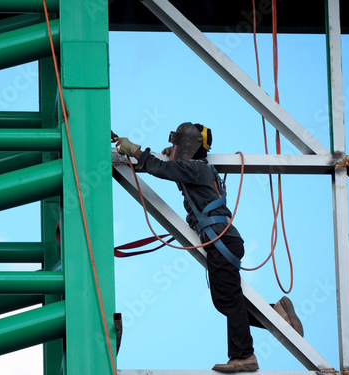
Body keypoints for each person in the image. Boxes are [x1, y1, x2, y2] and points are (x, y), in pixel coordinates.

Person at [115, 122, 303, 372]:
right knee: (224, 301)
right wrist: (165, 156)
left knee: (229, 300)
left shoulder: (195, 169)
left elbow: (162, 169)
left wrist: (136, 151)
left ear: (186, 146)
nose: (172, 148)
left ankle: (244, 354)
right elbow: (171, 170)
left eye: (176, 144)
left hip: (221, 239)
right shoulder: (200, 168)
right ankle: (277, 315)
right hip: (223, 239)